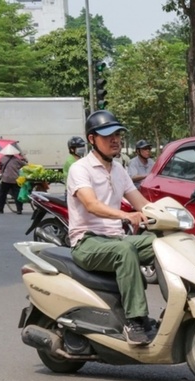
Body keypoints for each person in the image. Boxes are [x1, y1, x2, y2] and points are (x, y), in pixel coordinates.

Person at [67, 110, 156, 346]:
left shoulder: (119, 170)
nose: (115, 139)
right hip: (87, 242)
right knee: (125, 252)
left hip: (115, 239)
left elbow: (141, 203)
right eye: (107, 136)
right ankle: (135, 320)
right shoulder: (80, 169)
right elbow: (91, 205)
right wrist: (126, 216)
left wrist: (167, 215)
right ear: (91, 139)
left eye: (117, 134)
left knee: (161, 244)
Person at [0, 143, 27, 214]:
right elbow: (24, 165)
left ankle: (0, 209)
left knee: (2, 194)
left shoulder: (2, 159)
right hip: (15, 179)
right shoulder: (17, 160)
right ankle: (19, 210)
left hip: (5, 179)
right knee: (17, 195)